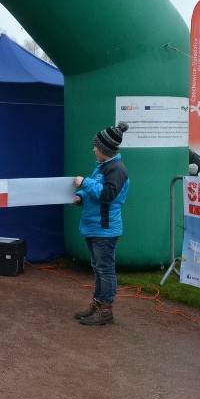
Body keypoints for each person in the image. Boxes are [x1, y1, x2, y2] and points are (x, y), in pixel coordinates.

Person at [72, 122, 130, 326]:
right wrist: (80, 196)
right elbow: (95, 190)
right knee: (98, 268)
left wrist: (84, 183)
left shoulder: (117, 170)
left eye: (96, 146)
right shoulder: (103, 167)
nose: (94, 149)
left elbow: (107, 195)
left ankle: (105, 310)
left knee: (105, 269)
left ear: (105, 149)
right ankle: (98, 304)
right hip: (95, 227)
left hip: (104, 229)